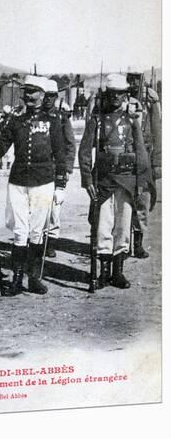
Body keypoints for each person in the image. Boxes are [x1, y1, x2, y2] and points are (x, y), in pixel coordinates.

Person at [0, 75, 66, 295]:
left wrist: (60, 185)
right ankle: (17, 280)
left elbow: (60, 154)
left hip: (43, 182)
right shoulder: (15, 121)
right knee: (20, 231)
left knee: (37, 231)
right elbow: (0, 149)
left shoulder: (53, 122)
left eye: (33, 92)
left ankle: (34, 278)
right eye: (26, 92)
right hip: (18, 181)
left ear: (42, 94)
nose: (28, 96)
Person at [78, 74, 150, 289]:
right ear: (106, 95)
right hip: (104, 181)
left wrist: (140, 181)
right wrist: (87, 178)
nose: (116, 98)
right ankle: (103, 273)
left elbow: (141, 151)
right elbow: (84, 151)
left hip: (126, 180)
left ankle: (118, 273)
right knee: (103, 226)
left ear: (125, 95)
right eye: (112, 94)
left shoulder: (131, 121)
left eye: (120, 93)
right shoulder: (97, 120)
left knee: (123, 225)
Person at [126, 73, 161, 258]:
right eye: (129, 78)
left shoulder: (151, 100)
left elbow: (157, 130)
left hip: (145, 156)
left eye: (136, 79)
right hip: (125, 155)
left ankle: (138, 243)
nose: (133, 83)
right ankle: (122, 245)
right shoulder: (118, 98)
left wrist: (157, 162)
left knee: (143, 200)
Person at [43, 80, 76, 257]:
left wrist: (68, 169)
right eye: (45, 96)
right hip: (40, 170)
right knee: (39, 206)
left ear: (56, 98)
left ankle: (51, 241)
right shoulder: (36, 116)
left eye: (51, 96)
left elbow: (70, 145)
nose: (47, 100)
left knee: (55, 208)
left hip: (58, 169)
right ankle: (38, 241)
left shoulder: (62, 119)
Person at [0, 105, 13, 169]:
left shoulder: (12, 119)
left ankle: (8, 164)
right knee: (0, 149)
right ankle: (0, 163)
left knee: (10, 151)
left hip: (9, 136)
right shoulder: (2, 119)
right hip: (3, 136)